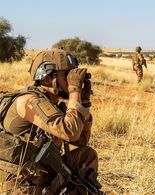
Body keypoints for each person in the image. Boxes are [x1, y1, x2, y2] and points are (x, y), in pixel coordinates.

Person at [0, 49, 100, 194]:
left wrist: (83, 103)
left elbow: (80, 141)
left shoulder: (53, 105)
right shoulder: (30, 101)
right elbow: (70, 132)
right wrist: (74, 93)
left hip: (39, 174)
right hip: (19, 183)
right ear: (47, 78)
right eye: (67, 75)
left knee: (86, 155)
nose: (72, 80)